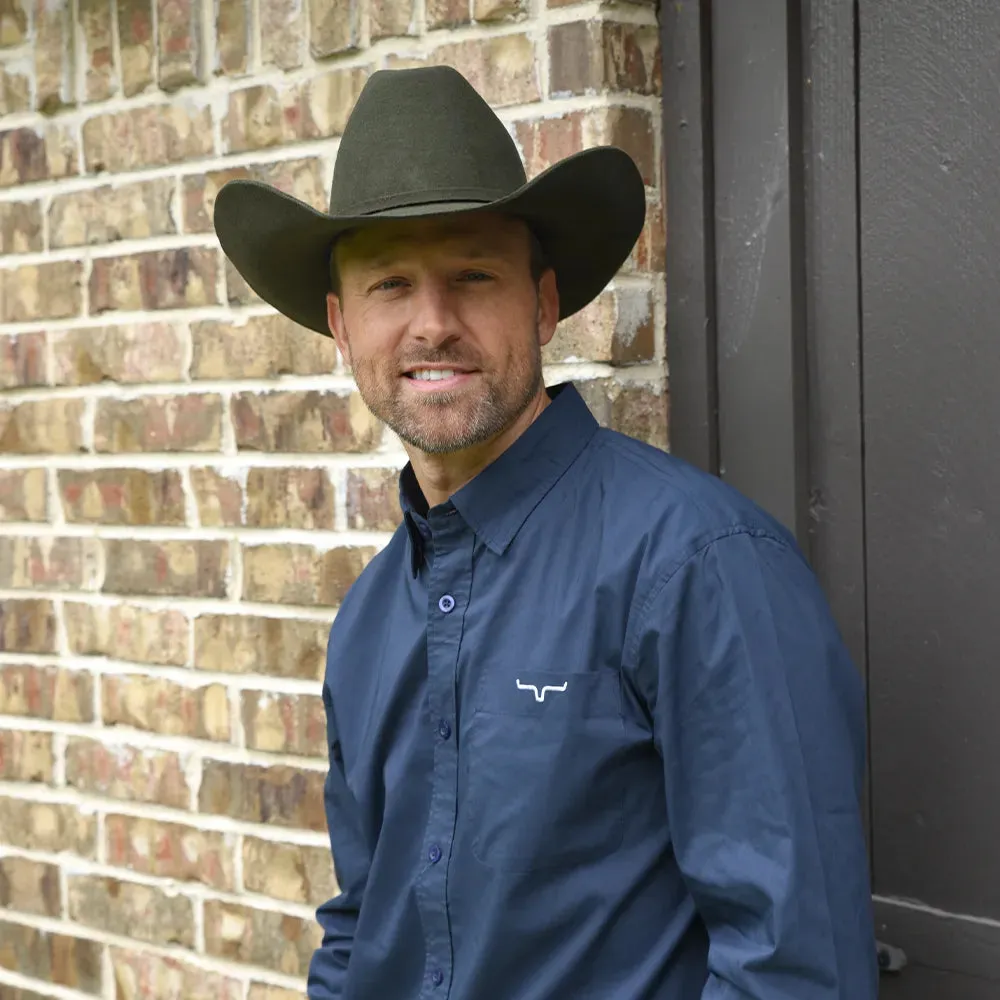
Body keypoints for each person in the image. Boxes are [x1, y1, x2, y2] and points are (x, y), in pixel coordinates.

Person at [214, 65, 878, 1000]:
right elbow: (365, 927)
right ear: (340, 325)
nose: (432, 324)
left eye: (473, 276)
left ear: (543, 302)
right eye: (390, 285)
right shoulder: (369, 619)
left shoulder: (698, 564)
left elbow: (795, 966)